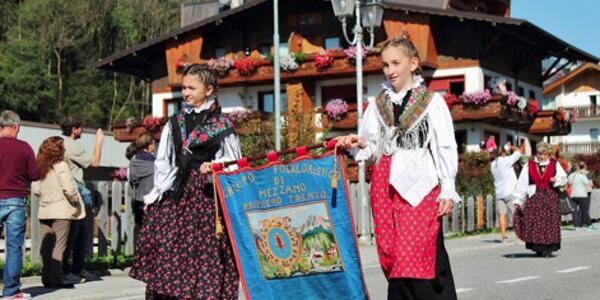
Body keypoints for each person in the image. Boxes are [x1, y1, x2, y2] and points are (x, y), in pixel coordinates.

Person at [335, 36, 459, 300]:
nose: (390, 70)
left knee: (419, 253)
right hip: (385, 185)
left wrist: (447, 188)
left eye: (396, 63)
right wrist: (355, 143)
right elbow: (370, 148)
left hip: (421, 184)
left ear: (413, 63)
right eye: (385, 64)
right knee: (392, 256)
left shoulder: (431, 101)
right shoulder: (378, 104)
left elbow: (444, 145)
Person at [130, 64, 242, 299]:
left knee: (206, 250)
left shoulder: (222, 124)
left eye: (192, 87)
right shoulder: (175, 122)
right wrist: (156, 195)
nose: (186, 92)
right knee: (169, 248)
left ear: (209, 90)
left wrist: (215, 167)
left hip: (208, 197)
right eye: (184, 87)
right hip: (178, 194)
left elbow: (234, 163)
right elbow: (165, 163)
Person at [32, 137, 86, 288]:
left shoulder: (40, 166)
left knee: (47, 247)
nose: (64, 149)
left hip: (44, 210)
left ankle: (46, 278)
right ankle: (56, 279)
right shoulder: (61, 165)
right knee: (59, 246)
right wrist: (75, 201)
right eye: (62, 147)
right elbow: (69, 189)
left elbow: (36, 189)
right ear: (57, 149)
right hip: (61, 211)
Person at [0, 110, 40, 300]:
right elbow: (35, 174)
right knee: (14, 247)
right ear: (16, 126)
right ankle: (10, 292)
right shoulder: (24, 148)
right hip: (15, 201)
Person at [60, 116, 104, 282]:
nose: (82, 130)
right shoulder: (71, 145)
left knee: (79, 234)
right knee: (76, 234)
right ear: (74, 129)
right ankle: (70, 270)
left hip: (67, 191)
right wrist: (99, 142)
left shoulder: (60, 142)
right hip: (76, 191)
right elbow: (95, 162)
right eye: (80, 127)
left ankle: (76, 268)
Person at [512, 141, 567, 257]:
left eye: (545, 154)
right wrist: (518, 200)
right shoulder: (529, 165)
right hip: (535, 198)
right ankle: (537, 247)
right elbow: (522, 183)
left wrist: (555, 179)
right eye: (540, 154)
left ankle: (548, 248)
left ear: (548, 154)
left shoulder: (554, 164)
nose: (542, 157)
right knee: (535, 223)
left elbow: (564, 178)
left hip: (550, 198)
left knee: (550, 223)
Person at [125, 133, 156, 245]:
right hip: (153, 200)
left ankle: (138, 255)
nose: (155, 144)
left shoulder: (133, 160)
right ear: (148, 145)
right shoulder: (155, 162)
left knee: (138, 227)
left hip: (138, 199)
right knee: (152, 230)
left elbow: (132, 179)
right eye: (153, 143)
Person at [490, 142, 524, 243]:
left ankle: (504, 237)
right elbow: (519, 151)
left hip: (499, 192)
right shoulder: (506, 161)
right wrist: (511, 147)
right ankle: (519, 237)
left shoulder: (492, 164)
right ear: (504, 153)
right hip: (510, 192)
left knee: (502, 215)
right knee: (516, 215)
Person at [568, 161, 595, 231]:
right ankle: (589, 225)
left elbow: (569, 183)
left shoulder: (570, 176)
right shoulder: (581, 176)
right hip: (582, 195)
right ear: (579, 168)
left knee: (574, 211)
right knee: (585, 210)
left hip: (573, 195)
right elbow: (589, 184)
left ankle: (576, 226)